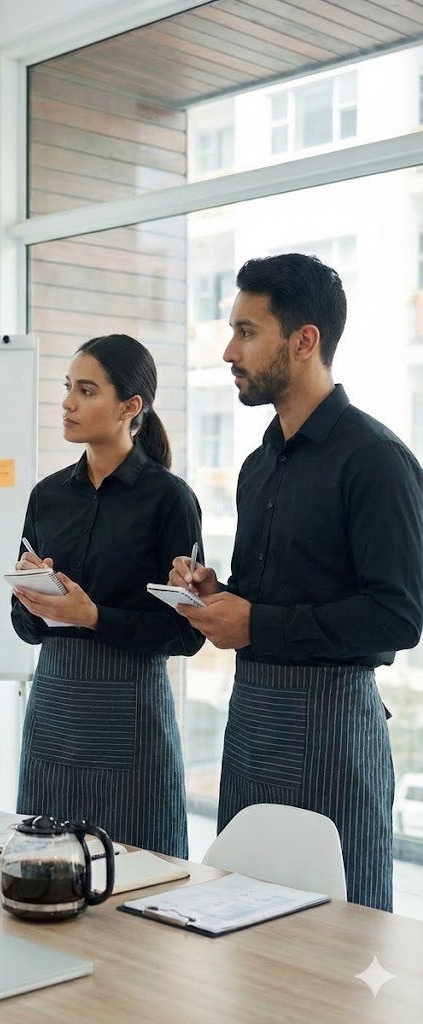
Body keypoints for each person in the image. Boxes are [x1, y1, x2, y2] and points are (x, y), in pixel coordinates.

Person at [169, 254, 423, 911]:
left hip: (334, 727)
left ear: (303, 340)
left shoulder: (376, 461)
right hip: (252, 720)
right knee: (241, 929)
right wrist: (213, 592)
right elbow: (270, 594)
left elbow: (397, 616)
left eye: (246, 331)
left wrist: (255, 623)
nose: (228, 350)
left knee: (341, 941)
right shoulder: (258, 465)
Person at [11, 334, 204, 857]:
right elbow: (24, 626)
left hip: (130, 716)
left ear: (130, 407)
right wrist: (34, 599)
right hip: (53, 708)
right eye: (68, 387)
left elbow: (187, 633)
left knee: (139, 882)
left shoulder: (169, 499)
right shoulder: (47, 496)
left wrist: (94, 616)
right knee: (45, 872)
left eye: (87, 391)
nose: (68, 403)